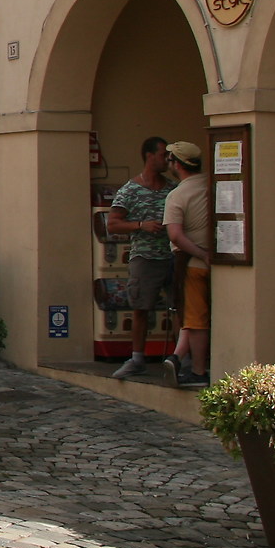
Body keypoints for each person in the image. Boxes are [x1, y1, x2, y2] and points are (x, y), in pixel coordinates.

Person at [107, 137, 175, 380]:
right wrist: (140, 225)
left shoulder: (172, 188)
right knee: (140, 308)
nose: (167, 159)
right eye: (162, 155)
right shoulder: (131, 190)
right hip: (145, 257)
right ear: (149, 156)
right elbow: (113, 224)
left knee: (180, 308)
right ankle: (137, 358)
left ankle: (180, 358)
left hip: (173, 256)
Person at [163, 140, 215, 387]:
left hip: (192, 263)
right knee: (198, 317)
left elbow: (175, 235)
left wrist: (201, 253)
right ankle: (178, 356)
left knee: (195, 319)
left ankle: (197, 370)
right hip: (222, 262)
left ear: (177, 164)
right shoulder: (212, 185)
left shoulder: (178, 194)